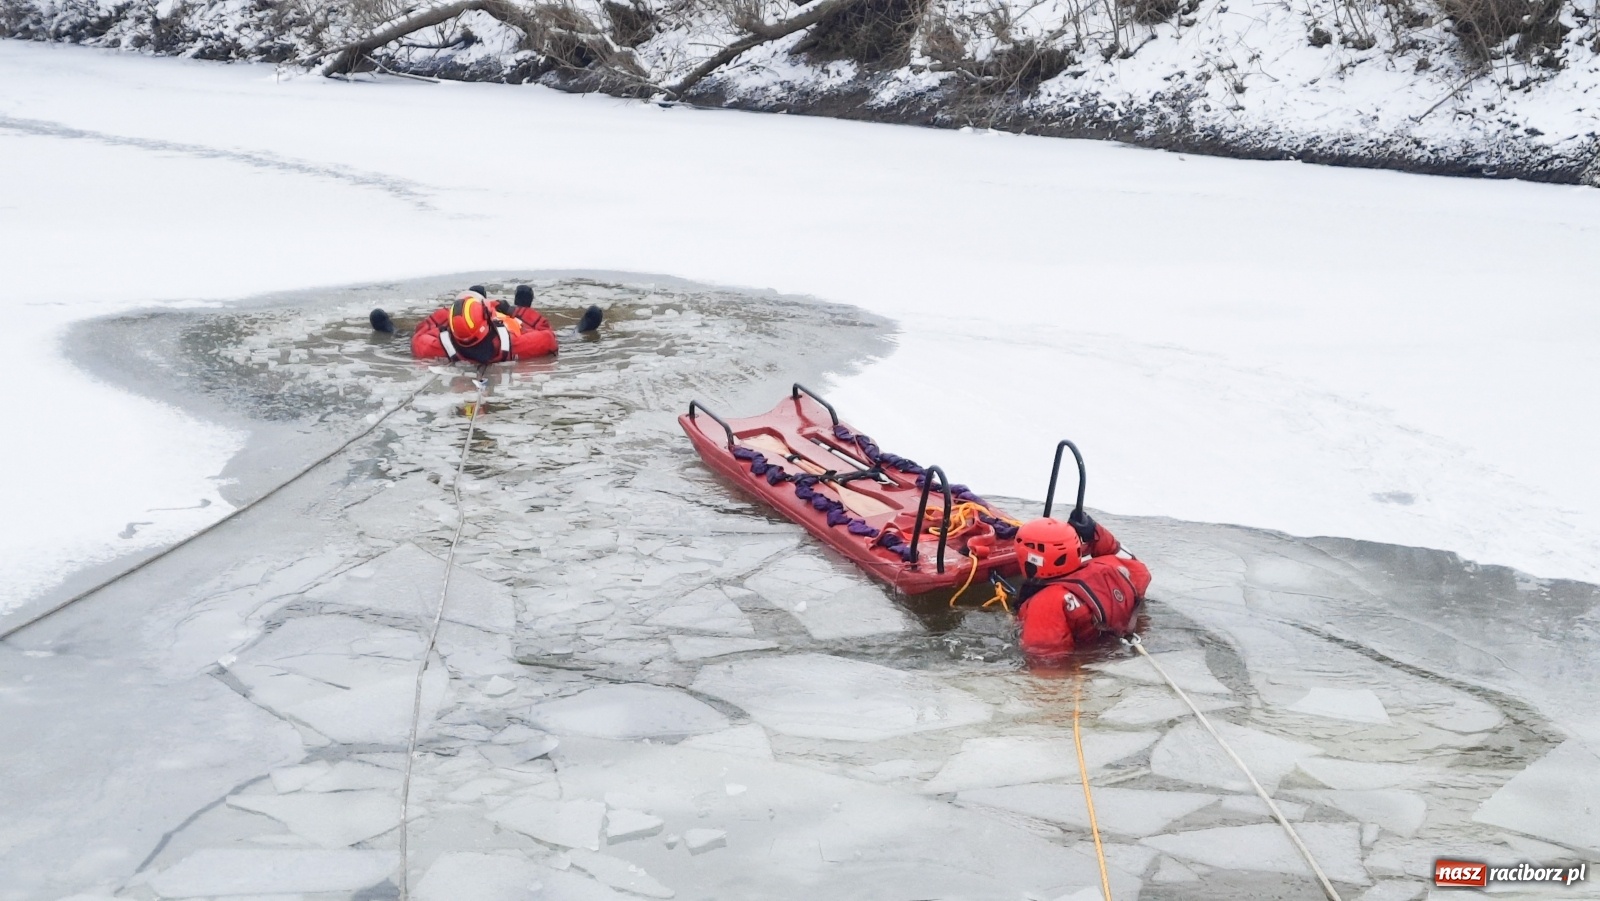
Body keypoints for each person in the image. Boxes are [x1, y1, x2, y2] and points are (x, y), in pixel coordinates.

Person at [1010, 513, 1151, 659]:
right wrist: (1095, 532)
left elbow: (1046, 665)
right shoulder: (1109, 566)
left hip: (1092, 659)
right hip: (1133, 636)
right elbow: (1136, 565)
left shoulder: (1046, 605)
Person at [369, 285, 601, 363]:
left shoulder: (434, 347)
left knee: (405, 339)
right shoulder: (517, 345)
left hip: (470, 334)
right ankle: (579, 331)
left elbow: (420, 334)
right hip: (514, 328)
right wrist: (512, 310)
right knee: (566, 340)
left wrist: (448, 314)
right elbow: (547, 335)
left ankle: (393, 332)